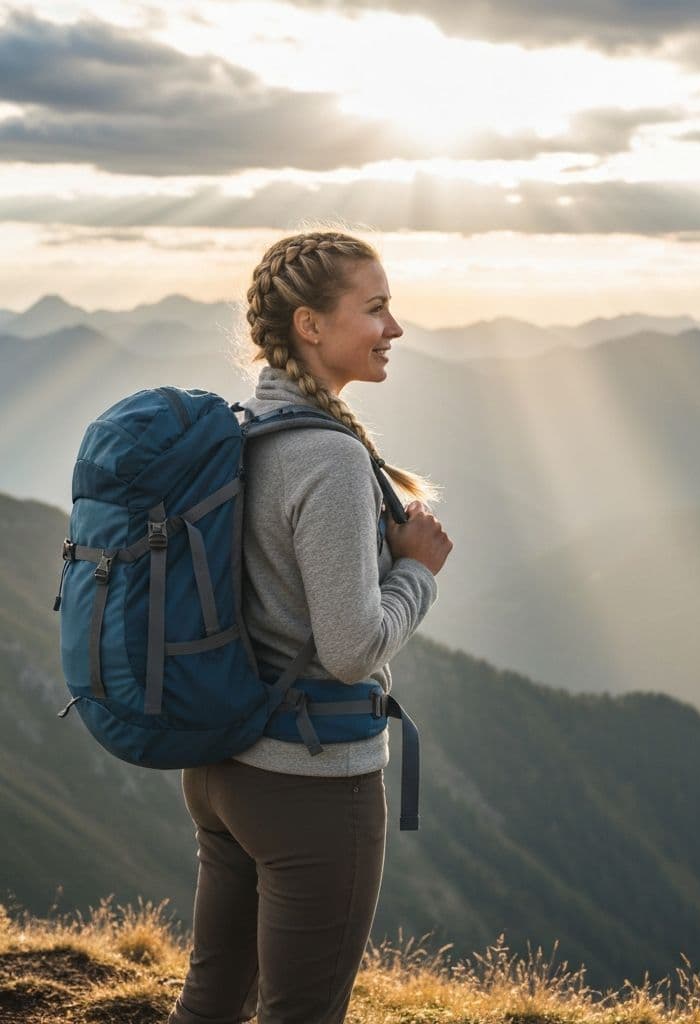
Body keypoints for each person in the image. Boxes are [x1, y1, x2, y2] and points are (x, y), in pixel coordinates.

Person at [167, 230, 453, 1024]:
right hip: (310, 782)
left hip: (223, 767)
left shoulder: (240, 432)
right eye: (376, 308)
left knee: (213, 997)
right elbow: (351, 647)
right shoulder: (325, 461)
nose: (394, 328)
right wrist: (417, 575)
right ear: (310, 325)